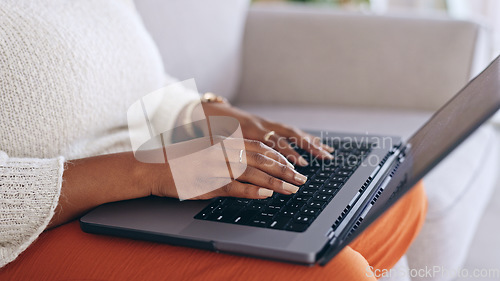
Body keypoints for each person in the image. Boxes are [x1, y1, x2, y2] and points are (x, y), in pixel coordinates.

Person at [0, 0, 427, 280]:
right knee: (338, 274)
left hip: (141, 176)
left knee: (395, 188)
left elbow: (127, 89)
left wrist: (210, 115)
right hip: (35, 233)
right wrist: (146, 172)